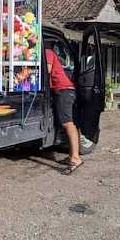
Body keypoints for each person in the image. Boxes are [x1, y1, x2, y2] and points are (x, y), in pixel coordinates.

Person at [45, 43, 83, 175]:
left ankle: (75, 158)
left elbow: (47, 72)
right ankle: (73, 155)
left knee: (68, 123)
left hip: (64, 90)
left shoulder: (47, 52)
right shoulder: (46, 53)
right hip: (62, 90)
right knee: (68, 123)